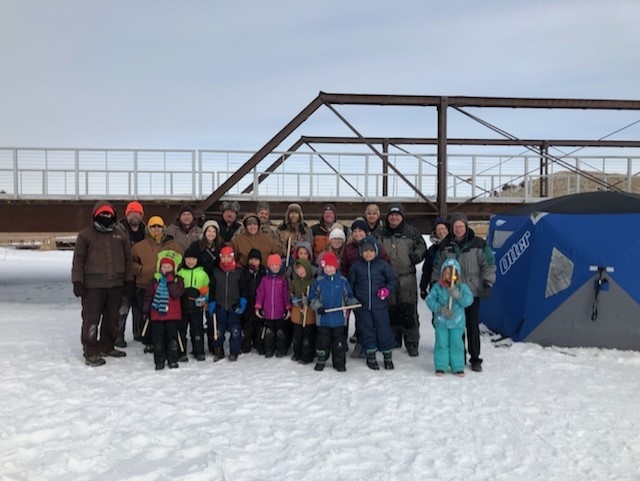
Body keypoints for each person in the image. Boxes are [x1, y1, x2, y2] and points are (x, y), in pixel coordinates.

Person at [432, 213, 495, 372]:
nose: (458, 229)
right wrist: (435, 285)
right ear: (451, 228)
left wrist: (487, 283)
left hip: (471, 291)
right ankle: (458, 356)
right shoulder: (445, 245)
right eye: (455, 226)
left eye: (461, 226)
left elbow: (488, 264)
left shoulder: (479, 244)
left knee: (472, 325)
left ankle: (475, 358)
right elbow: (438, 266)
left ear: (466, 226)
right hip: (450, 293)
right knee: (455, 325)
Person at [72, 201, 132, 366]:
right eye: (102, 213)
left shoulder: (120, 234)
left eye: (108, 214)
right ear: (95, 215)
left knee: (112, 319)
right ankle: (90, 351)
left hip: (116, 285)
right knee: (91, 319)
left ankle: (107, 345)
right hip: (93, 287)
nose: (106, 216)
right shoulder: (86, 235)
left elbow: (128, 258)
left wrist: (128, 279)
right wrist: (77, 280)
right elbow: (78, 260)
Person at [377, 203, 427, 357]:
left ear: (402, 217)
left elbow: (422, 247)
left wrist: (417, 256)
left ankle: (412, 342)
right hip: (388, 277)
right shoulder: (380, 233)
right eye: (391, 215)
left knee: (409, 310)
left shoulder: (411, 232)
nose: (394, 218)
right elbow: (371, 247)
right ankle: (394, 339)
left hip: (407, 278)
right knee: (391, 310)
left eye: (397, 215)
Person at [131, 216, 184, 353]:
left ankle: (168, 340)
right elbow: (131, 263)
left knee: (168, 315)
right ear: (148, 228)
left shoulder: (174, 245)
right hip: (146, 285)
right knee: (149, 314)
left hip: (169, 286)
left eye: (159, 226)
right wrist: (141, 270)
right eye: (153, 226)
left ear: (164, 228)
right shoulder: (139, 246)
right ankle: (149, 341)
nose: (156, 229)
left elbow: (182, 262)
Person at [348, 236, 397, 370]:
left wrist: (387, 289)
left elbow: (392, 281)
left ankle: (387, 356)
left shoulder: (382, 265)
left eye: (371, 251)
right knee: (366, 330)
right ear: (360, 252)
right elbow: (350, 286)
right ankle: (371, 356)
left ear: (376, 251)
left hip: (380, 306)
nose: (368, 253)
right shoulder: (356, 267)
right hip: (362, 306)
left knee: (384, 330)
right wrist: (352, 299)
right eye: (365, 251)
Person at [309, 251, 360, 372]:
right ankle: (321, 359)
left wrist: (354, 303)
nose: (328, 269)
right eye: (326, 266)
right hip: (323, 320)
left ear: (336, 266)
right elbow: (312, 297)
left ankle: (339, 362)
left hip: (338, 320)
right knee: (322, 341)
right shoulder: (319, 281)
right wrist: (318, 307)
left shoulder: (343, 281)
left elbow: (349, 297)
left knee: (339, 343)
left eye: (331, 266)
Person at [426, 258, 474, 377]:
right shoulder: (438, 287)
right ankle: (441, 366)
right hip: (441, 322)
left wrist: (459, 296)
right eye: (447, 273)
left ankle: (457, 366)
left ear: (457, 274)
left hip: (457, 322)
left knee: (456, 344)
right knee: (441, 343)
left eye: (452, 273)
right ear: (443, 273)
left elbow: (469, 301)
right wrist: (440, 309)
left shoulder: (462, 288)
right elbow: (429, 300)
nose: (449, 276)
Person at [142, 253, 185, 370]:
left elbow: (177, 294)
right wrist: (146, 310)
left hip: (172, 315)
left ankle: (172, 359)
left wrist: (170, 282)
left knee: (172, 339)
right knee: (158, 339)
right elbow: (148, 296)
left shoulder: (177, 279)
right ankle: (159, 360)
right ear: (160, 268)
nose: (166, 269)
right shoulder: (154, 281)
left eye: (169, 267)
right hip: (157, 315)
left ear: (173, 268)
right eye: (164, 266)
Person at [207, 244, 247, 361]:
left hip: (234, 307)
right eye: (223, 257)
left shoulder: (239, 272)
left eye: (228, 257)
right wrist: (211, 301)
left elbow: (243, 289)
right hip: (219, 307)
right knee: (218, 330)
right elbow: (212, 288)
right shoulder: (216, 271)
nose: (226, 259)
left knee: (235, 330)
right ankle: (218, 350)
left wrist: (243, 301)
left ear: (232, 257)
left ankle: (234, 351)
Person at [115, 201, 146, 347]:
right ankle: (118, 335)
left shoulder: (147, 232)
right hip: (123, 275)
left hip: (141, 275)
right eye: (132, 212)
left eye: (138, 213)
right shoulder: (118, 230)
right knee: (122, 308)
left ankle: (138, 333)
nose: (135, 215)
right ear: (127, 214)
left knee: (139, 307)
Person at [189, 219, 221, 354]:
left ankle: (213, 344)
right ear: (204, 232)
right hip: (198, 283)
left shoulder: (220, 246)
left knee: (211, 316)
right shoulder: (196, 246)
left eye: (214, 231)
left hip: (214, 284)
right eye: (209, 230)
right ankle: (198, 346)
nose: (211, 233)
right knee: (196, 317)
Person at [177, 243, 210, 361]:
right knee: (181, 329)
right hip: (183, 306)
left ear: (197, 260)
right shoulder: (180, 273)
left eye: (193, 259)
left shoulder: (202, 274)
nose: (190, 261)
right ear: (184, 259)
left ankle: (199, 351)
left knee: (197, 329)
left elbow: (206, 288)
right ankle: (181, 351)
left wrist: (205, 299)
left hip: (197, 306)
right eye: (188, 259)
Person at [254, 254, 292, 358]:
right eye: (272, 265)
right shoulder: (265, 280)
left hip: (280, 313)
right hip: (268, 312)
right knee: (269, 333)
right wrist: (258, 306)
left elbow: (286, 295)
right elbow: (260, 294)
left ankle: (281, 349)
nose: (275, 267)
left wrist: (288, 308)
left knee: (281, 333)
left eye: (277, 265)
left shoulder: (283, 279)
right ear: (268, 266)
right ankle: (269, 349)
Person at [289, 258, 317, 364]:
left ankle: (307, 356)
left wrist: (308, 300)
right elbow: (290, 292)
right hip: (297, 314)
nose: (300, 271)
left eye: (302, 268)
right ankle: (297, 353)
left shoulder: (313, 282)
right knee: (297, 336)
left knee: (308, 337)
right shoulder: (294, 282)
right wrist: (293, 299)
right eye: (298, 269)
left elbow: (316, 295)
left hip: (309, 314)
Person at [240, 248, 267, 354]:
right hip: (248, 302)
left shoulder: (263, 272)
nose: (253, 262)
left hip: (260, 303)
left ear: (260, 261)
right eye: (251, 259)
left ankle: (259, 343)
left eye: (256, 260)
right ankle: (246, 343)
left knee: (259, 325)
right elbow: (242, 286)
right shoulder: (245, 272)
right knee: (248, 325)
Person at [420, 217, 450, 301]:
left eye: (443, 228)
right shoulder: (432, 250)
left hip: (453, 287)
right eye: (438, 229)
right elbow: (427, 270)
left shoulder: (455, 246)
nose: (441, 232)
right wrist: (423, 287)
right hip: (436, 286)